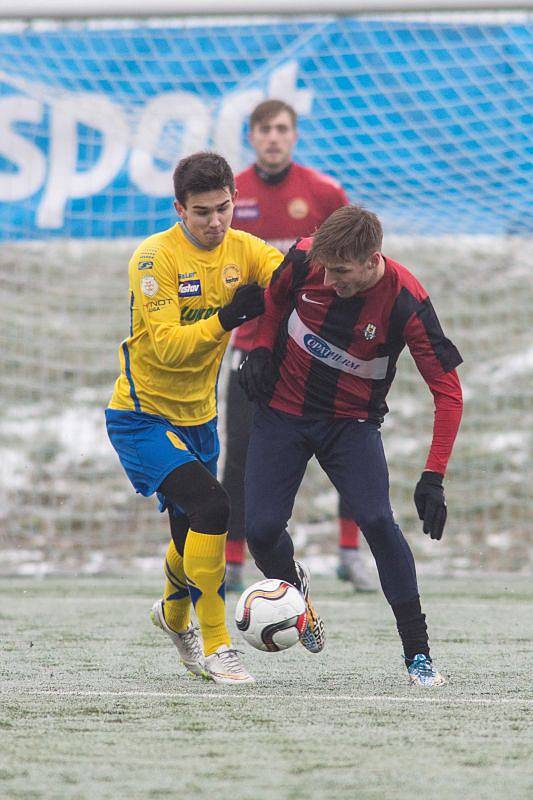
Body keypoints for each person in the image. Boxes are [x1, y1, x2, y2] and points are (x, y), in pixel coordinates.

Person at [239, 205, 463, 686]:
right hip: (281, 412)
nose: (330, 279)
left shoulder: (407, 302)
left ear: (370, 260)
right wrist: (260, 349)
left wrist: (433, 477)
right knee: (258, 530)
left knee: (380, 522)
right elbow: (275, 301)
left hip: (351, 425)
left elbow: (449, 394)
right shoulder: (304, 258)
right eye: (325, 268)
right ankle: (296, 595)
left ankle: (418, 655)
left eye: (340, 272)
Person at [105, 152, 283, 685]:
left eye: (224, 209)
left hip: (198, 420)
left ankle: (173, 615)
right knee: (214, 506)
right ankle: (218, 647)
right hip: (141, 417)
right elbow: (168, 347)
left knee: (189, 538)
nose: (215, 222)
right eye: (201, 212)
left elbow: (290, 280)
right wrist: (230, 317)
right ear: (179, 209)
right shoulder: (153, 258)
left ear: (234, 200)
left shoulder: (243, 250)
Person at [223, 98, 375, 593]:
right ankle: (231, 561)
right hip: (253, 345)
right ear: (251, 136)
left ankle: (350, 554)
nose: (273, 137)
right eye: (264, 129)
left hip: (319, 347)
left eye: (282, 128)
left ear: (294, 135)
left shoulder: (324, 192)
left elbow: (356, 261)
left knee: (348, 447)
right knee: (241, 453)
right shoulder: (233, 195)